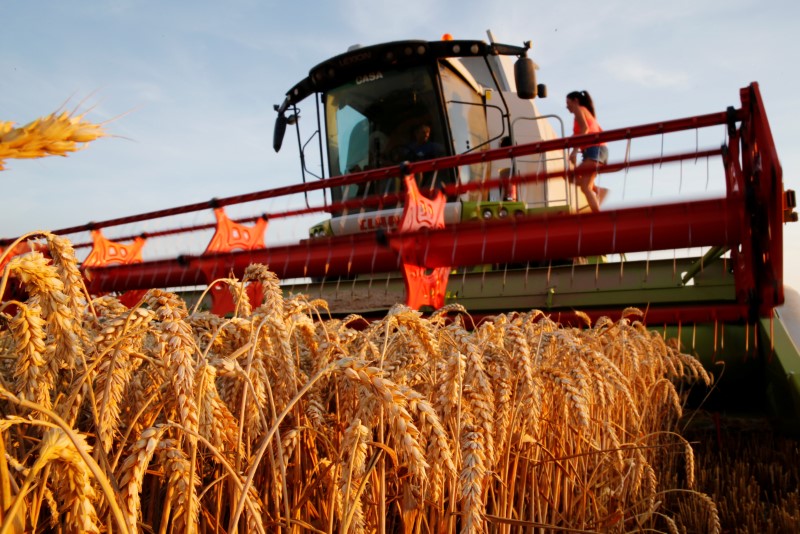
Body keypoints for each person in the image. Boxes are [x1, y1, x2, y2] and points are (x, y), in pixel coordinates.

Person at [566, 90, 608, 213]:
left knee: (584, 186)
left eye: (568, 103)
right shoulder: (587, 113)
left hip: (595, 150)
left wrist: (574, 151)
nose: (567, 106)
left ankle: (597, 215)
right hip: (595, 151)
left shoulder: (580, 109)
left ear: (575, 101)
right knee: (572, 178)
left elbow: (584, 129)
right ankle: (599, 190)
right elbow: (580, 133)